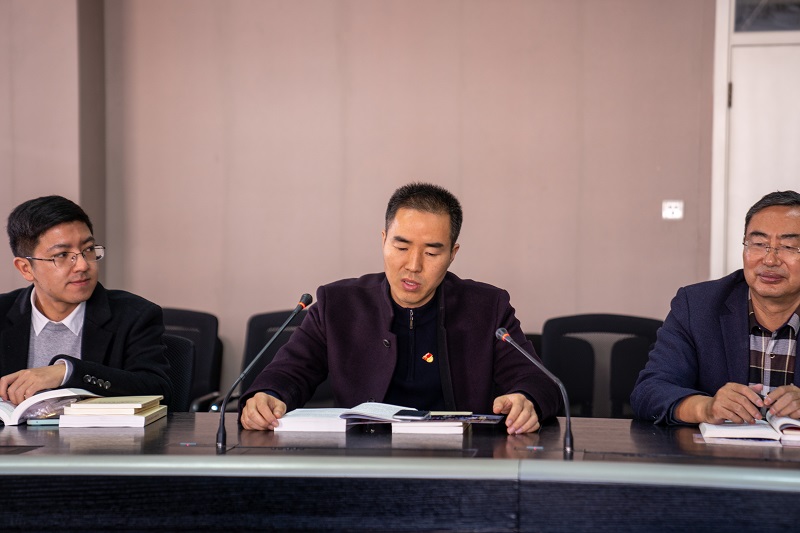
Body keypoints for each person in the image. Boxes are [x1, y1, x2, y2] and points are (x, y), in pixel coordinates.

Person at [241, 182, 561, 434]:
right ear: (384, 240)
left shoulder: (486, 308)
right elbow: (289, 372)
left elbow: (538, 381)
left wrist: (526, 400)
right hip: (363, 458)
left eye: (432, 253)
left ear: (452, 254)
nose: (413, 265)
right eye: (401, 246)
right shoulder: (338, 304)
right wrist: (268, 395)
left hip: (460, 460)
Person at [631, 190, 800, 425]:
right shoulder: (697, 306)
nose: (770, 260)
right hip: (717, 449)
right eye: (759, 244)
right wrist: (706, 408)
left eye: (789, 247)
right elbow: (649, 391)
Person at [0, 195, 172, 406]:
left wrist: (68, 372)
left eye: (88, 249)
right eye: (62, 255)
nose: (82, 265)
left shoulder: (135, 315)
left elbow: (158, 391)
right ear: (26, 268)